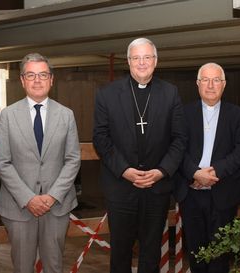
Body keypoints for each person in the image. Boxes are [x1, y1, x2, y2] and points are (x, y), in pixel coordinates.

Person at [93, 37, 186, 273]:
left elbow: (179, 138)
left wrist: (161, 171)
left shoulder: (170, 92)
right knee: (121, 252)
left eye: (147, 57)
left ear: (155, 61)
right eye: (137, 58)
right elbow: (101, 139)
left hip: (156, 189)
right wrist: (125, 170)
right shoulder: (107, 94)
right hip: (120, 188)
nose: (142, 62)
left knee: (151, 252)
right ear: (128, 61)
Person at [0, 53, 80, 273]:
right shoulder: (8, 115)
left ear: (51, 79)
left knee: (54, 265)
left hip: (57, 205)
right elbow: (3, 162)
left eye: (43, 75)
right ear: (22, 80)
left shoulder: (66, 115)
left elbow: (72, 160)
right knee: (23, 266)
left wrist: (52, 196)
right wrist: (28, 198)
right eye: (31, 75)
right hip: (19, 207)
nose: (37, 80)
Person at [174, 63, 240, 273]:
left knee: (220, 255)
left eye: (216, 80)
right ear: (198, 84)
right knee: (196, 253)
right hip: (191, 193)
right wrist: (195, 173)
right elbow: (177, 148)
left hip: (223, 193)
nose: (210, 85)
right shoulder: (183, 113)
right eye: (205, 80)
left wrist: (214, 172)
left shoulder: (237, 114)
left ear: (224, 85)